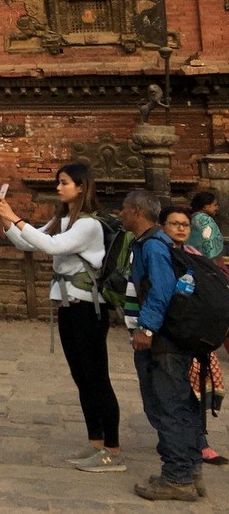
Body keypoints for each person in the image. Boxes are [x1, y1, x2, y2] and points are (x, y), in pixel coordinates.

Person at [0, 162, 123, 472]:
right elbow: (29, 242)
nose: (58, 187)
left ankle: (113, 450)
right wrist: (7, 222)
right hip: (68, 308)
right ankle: (95, 442)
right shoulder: (63, 219)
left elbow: (53, 247)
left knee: (97, 378)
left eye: (64, 182)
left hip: (89, 309)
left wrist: (15, 217)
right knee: (81, 378)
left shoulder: (89, 225)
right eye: (58, 182)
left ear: (81, 187)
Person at [120, 189, 206, 502]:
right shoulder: (159, 243)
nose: (121, 214)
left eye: (124, 209)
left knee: (165, 407)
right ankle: (189, 469)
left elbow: (161, 290)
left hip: (163, 342)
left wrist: (146, 328)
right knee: (181, 406)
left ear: (137, 212)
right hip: (172, 339)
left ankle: (177, 477)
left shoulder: (153, 246)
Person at [161, 205, 226, 471]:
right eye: (174, 224)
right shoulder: (161, 254)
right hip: (173, 333)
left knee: (196, 392)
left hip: (196, 335)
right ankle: (190, 445)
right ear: (162, 226)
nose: (180, 229)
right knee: (179, 394)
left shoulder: (195, 256)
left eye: (184, 225)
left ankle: (198, 442)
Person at [188, 191, 223, 261]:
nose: (217, 208)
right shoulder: (205, 220)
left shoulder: (192, 218)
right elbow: (210, 246)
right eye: (215, 205)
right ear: (205, 207)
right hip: (205, 262)